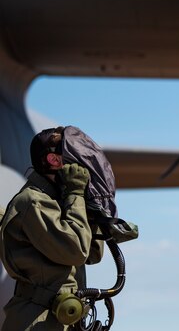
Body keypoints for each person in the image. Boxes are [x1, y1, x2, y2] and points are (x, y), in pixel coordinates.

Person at [0, 127, 103, 330]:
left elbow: (93, 253)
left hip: (61, 317)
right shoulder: (33, 201)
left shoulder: (59, 201)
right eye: (74, 155)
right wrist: (75, 194)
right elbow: (76, 250)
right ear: (54, 161)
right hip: (37, 320)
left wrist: (85, 204)